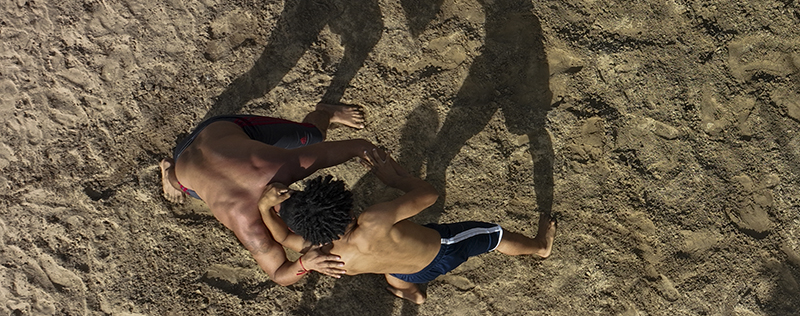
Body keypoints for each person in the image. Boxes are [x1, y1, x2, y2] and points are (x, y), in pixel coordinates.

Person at [258, 148, 557, 303]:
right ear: (345, 207)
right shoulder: (372, 221)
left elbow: (283, 236)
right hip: (444, 250)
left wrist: (264, 208)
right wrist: (393, 179)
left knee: (396, 273)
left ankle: (413, 294)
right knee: (495, 235)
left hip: (404, 270)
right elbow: (429, 195)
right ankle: (540, 248)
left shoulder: (320, 253)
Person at [159, 104, 381, 286]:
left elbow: (358, 146)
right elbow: (277, 274)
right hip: (199, 152)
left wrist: (380, 161)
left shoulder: (284, 165)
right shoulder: (247, 225)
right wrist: (304, 264)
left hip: (214, 135)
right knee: (184, 182)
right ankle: (326, 112)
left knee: (314, 137)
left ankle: (170, 173)